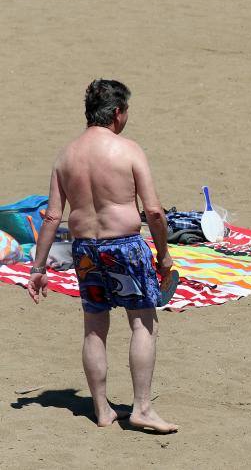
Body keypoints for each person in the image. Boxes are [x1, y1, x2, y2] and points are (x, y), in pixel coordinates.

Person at [27, 79, 179, 433]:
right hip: (124, 245)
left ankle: (102, 409)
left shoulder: (65, 156)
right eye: (126, 111)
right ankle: (141, 408)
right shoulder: (127, 150)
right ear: (116, 112)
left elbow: (51, 216)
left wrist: (38, 268)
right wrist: (164, 254)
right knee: (143, 322)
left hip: (84, 251)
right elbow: (154, 212)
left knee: (94, 328)